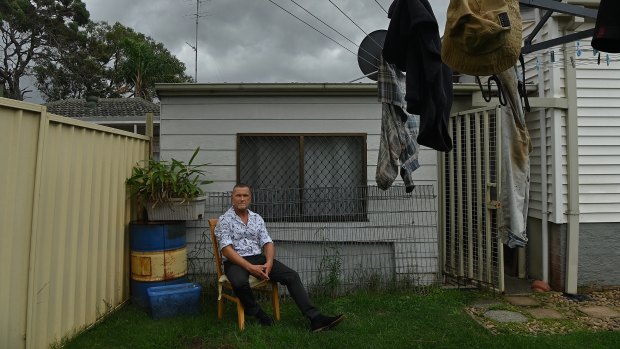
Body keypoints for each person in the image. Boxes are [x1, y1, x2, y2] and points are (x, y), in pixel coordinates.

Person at [214, 183, 345, 332]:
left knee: (292, 276)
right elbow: (226, 250)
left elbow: (267, 242)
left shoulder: (257, 218)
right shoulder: (224, 220)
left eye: (245, 195)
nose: (242, 199)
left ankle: (316, 319)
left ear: (250, 198)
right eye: (238, 195)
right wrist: (249, 267)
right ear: (232, 197)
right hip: (235, 261)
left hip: (259, 258)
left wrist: (269, 262)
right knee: (239, 282)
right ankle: (258, 313)